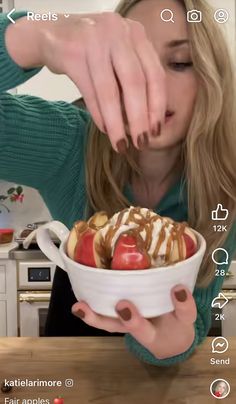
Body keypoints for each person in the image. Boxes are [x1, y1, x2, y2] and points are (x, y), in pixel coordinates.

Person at [0, 0, 235, 367]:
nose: (148, 81)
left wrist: (172, 344)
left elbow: (195, 315)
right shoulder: (68, 143)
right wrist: (34, 38)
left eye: (178, 62)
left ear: (211, 76)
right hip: (73, 366)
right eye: (128, 60)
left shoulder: (226, 182)